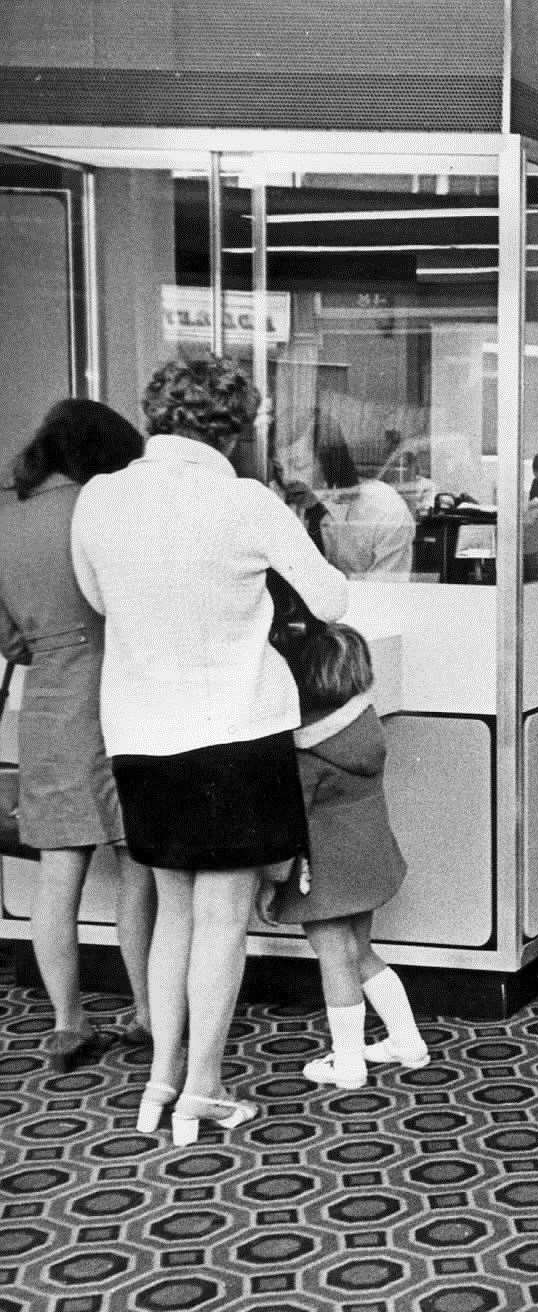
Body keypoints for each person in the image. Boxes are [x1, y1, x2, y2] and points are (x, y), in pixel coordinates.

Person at [70, 354, 349, 1145]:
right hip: (232, 733)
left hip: (140, 734)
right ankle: (204, 1088)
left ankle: (160, 1079)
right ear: (238, 426)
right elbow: (331, 597)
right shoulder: (244, 500)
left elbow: (97, 597)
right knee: (224, 919)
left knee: (172, 912)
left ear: (155, 413)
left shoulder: (100, 496)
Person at [0, 401, 156, 1073]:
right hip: (121, 699)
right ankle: (150, 1011)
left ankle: (66, 1024)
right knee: (140, 869)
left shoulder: (6, 522)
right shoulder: (103, 510)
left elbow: (11, 641)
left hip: (49, 713)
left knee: (57, 881)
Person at [263, 622, 423, 1091]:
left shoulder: (305, 751)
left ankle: (348, 1063)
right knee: (362, 953)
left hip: (324, 873)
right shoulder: (364, 727)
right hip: (368, 862)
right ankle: (407, 1041)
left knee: (333, 956)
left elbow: (287, 824)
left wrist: (272, 881)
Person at [315, 433, 416, 581]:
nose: (286, 477)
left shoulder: (387, 513)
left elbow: (383, 593)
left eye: (299, 464)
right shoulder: (290, 507)